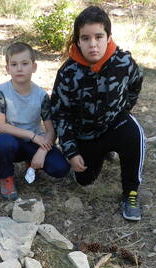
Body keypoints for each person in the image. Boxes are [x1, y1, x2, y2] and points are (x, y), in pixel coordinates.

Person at [51, 6, 145, 221]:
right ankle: (100, 153)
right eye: (85, 38)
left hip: (113, 126)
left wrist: (123, 110)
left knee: (133, 131)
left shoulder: (124, 62)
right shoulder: (67, 72)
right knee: (84, 180)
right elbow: (60, 113)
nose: (92, 44)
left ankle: (130, 193)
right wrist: (71, 152)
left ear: (108, 37)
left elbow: (136, 83)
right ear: (77, 41)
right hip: (85, 135)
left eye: (98, 36)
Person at [0, 42, 70, 200]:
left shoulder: (41, 95)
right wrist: (31, 135)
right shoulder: (1, 91)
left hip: (34, 142)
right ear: (7, 68)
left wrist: (42, 151)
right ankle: (5, 177)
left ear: (34, 67)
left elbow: (50, 130)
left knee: (60, 168)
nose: (19, 68)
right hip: (12, 140)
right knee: (2, 143)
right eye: (14, 64)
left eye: (24, 64)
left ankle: (31, 159)